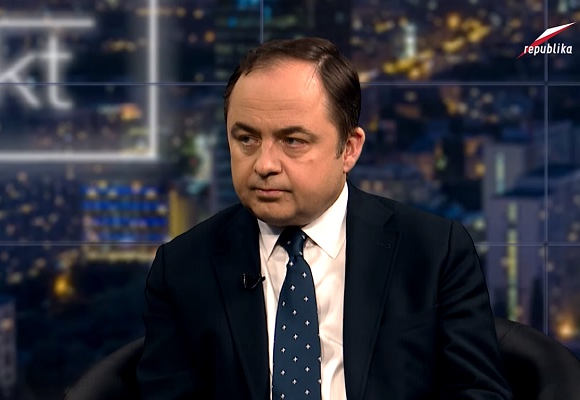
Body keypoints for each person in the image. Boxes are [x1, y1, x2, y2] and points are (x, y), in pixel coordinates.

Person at [136, 37, 512, 399]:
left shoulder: (436, 252)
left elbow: (478, 392)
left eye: (293, 141)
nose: (264, 164)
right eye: (246, 139)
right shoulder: (182, 269)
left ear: (348, 149)